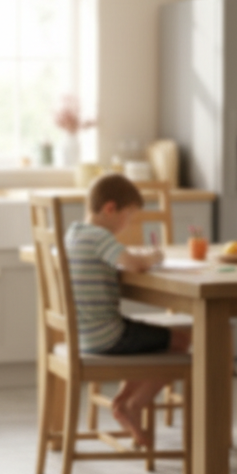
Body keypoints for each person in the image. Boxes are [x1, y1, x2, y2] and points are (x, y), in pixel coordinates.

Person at [65, 172, 191, 447]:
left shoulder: (74, 233)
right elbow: (134, 263)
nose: (127, 224)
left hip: (84, 335)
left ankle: (123, 401)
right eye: (128, 216)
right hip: (109, 335)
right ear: (110, 209)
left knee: (156, 338)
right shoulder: (100, 236)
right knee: (181, 340)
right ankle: (133, 404)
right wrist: (153, 256)